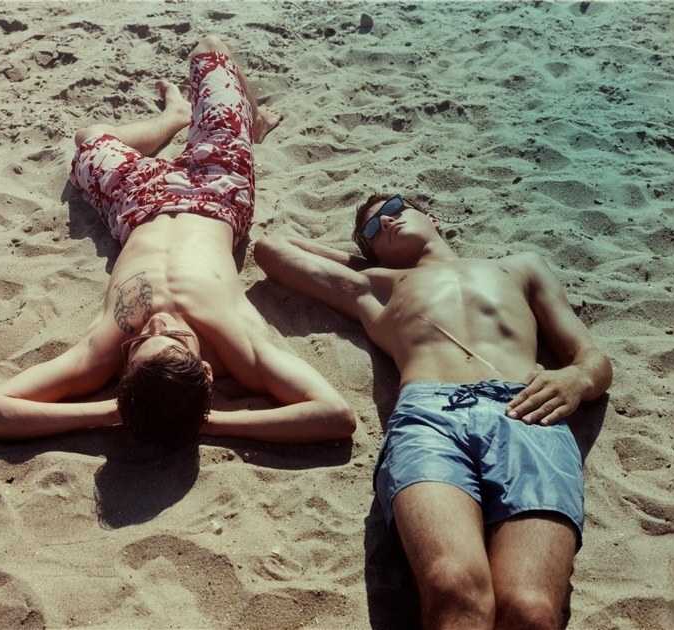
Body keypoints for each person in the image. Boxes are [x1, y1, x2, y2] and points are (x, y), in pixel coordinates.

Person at [0, 36, 355, 450]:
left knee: (89, 138)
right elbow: (335, 414)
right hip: (218, 190)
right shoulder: (240, 348)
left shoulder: (101, 354)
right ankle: (247, 125)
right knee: (210, 49)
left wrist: (113, 412)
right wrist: (211, 423)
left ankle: (175, 119)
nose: (157, 322)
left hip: (136, 203)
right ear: (206, 372)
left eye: (140, 340)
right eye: (174, 337)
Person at [254, 193, 612, 629]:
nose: (386, 223)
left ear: (431, 216)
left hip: (527, 409)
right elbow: (272, 248)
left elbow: (591, 358)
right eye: (372, 229)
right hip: (430, 415)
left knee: (530, 608)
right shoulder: (376, 287)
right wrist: (370, 264)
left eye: (394, 209)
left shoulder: (521, 266)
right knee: (454, 590)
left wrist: (578, 379)